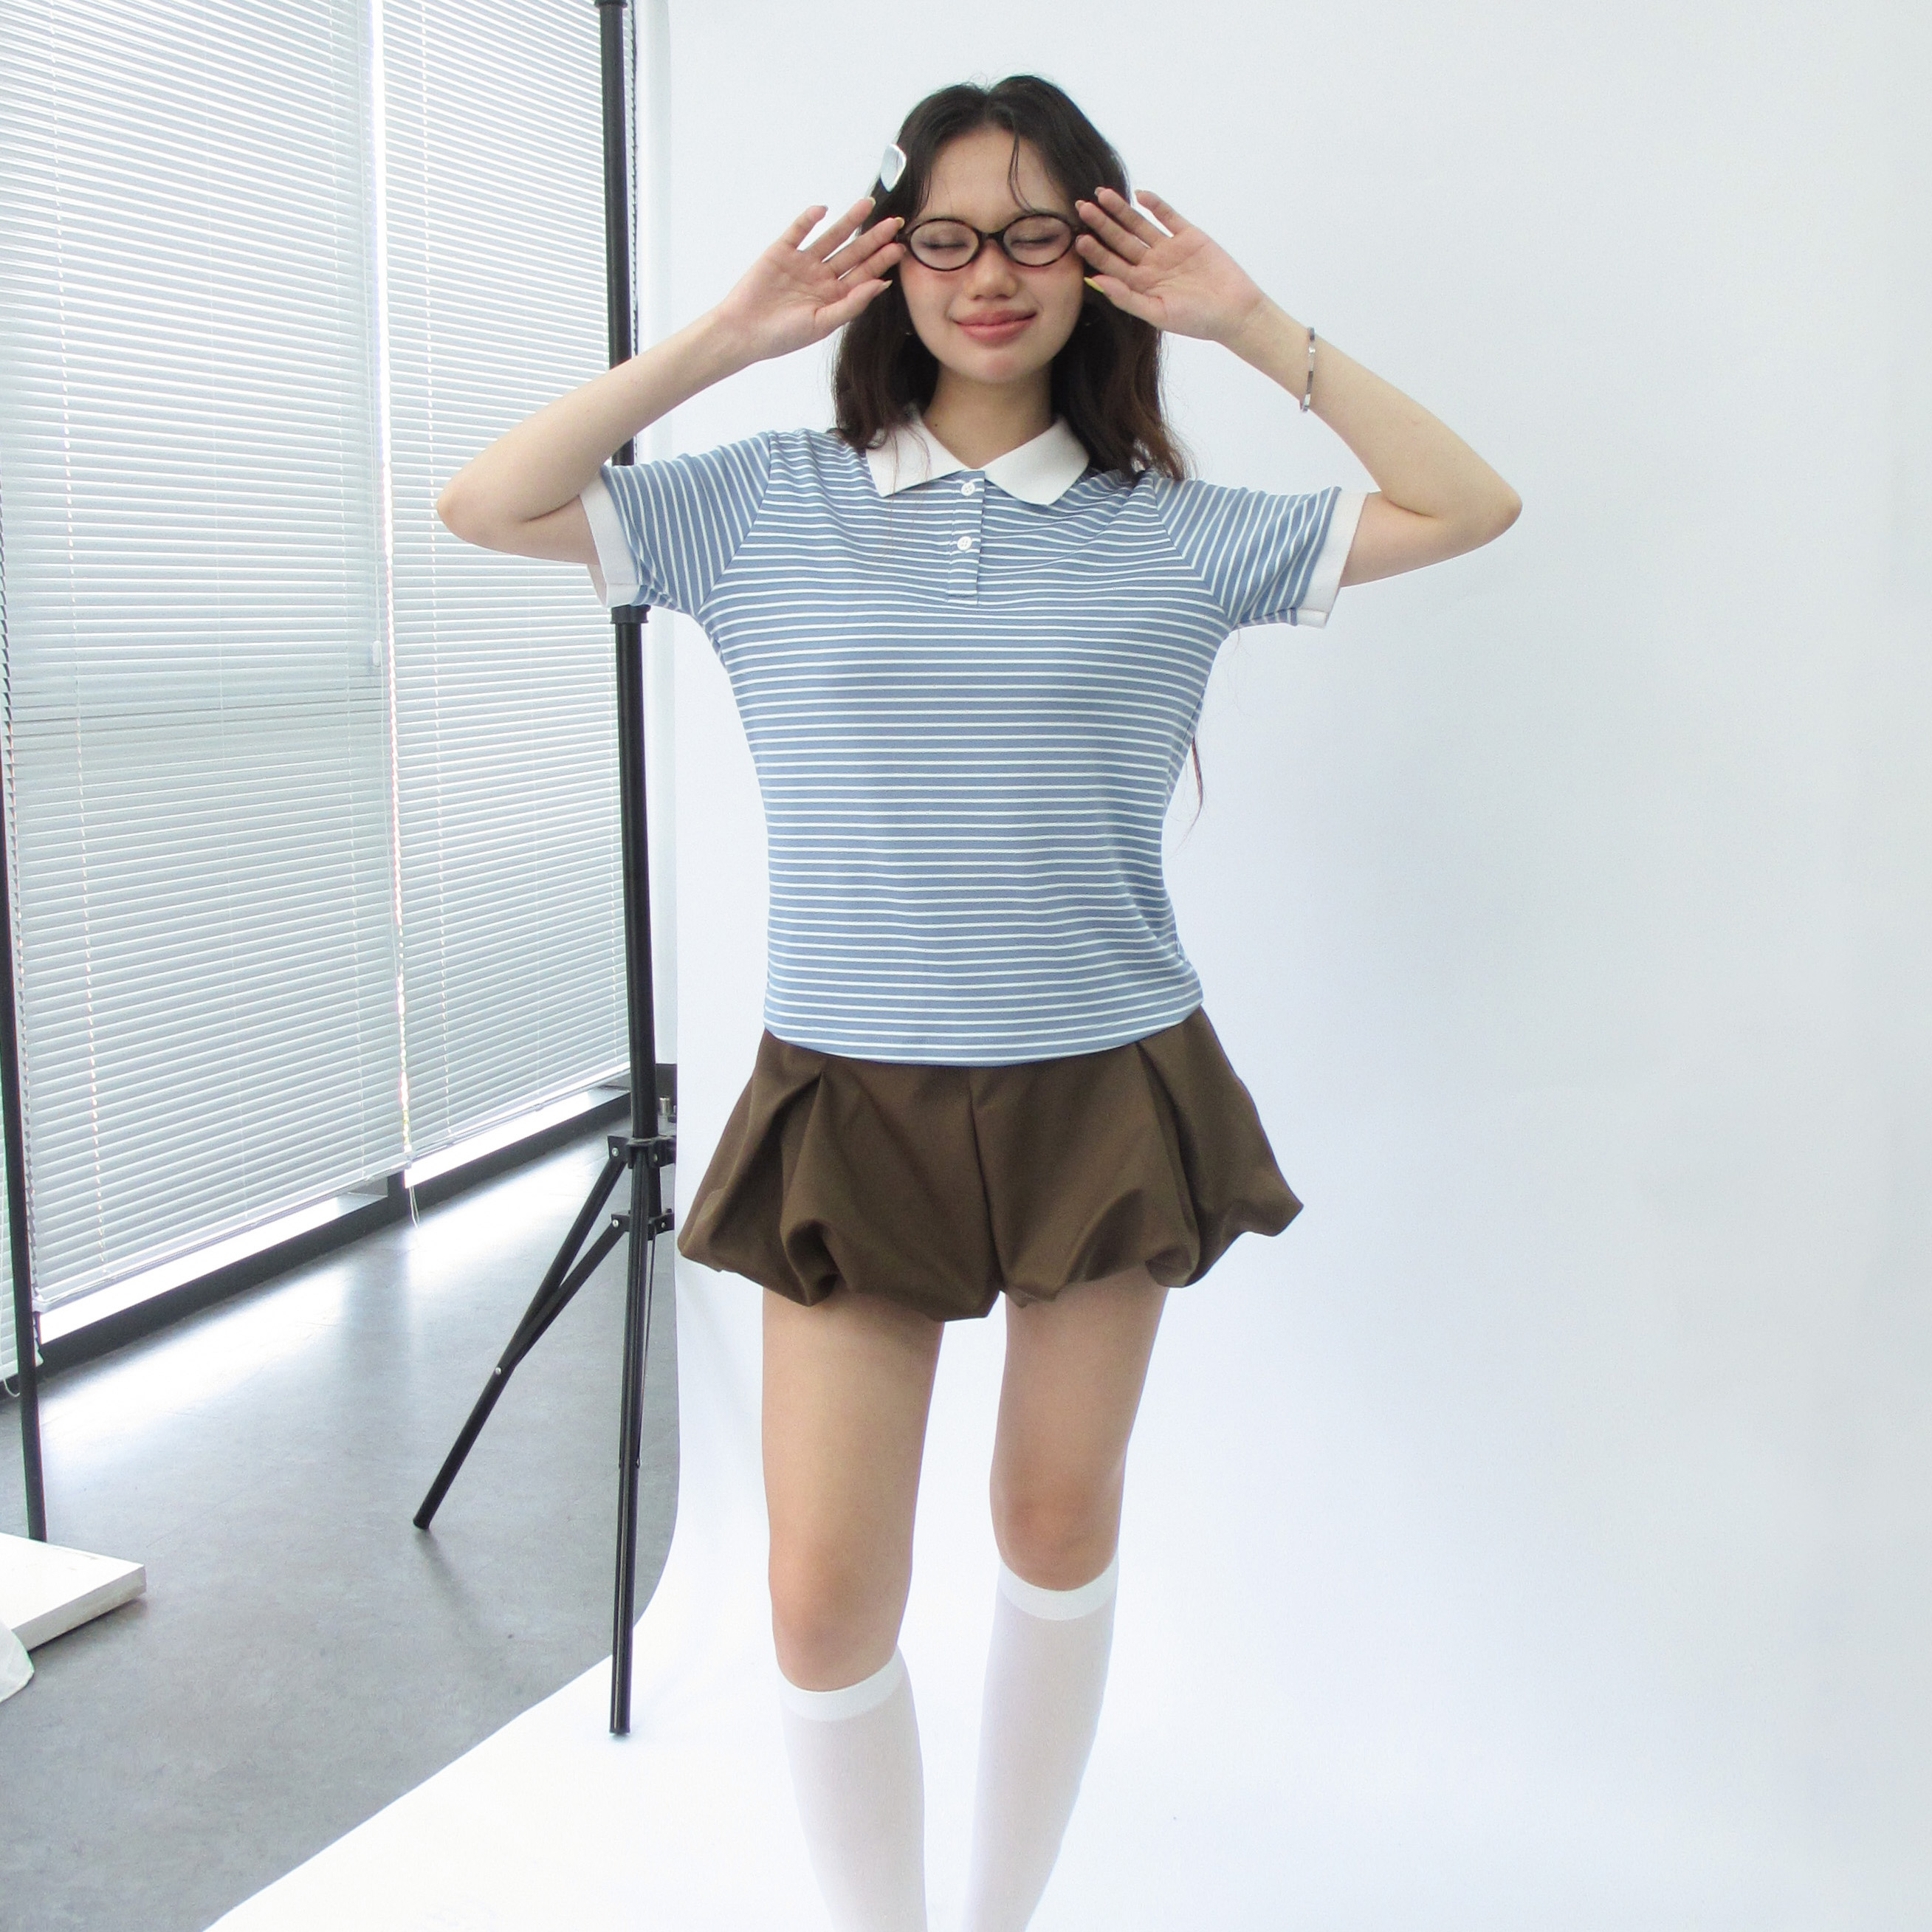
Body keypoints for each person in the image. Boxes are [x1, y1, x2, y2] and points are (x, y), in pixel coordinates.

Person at [436, 71, 1519, 1932]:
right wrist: (724, 340)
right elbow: (485, 503)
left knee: (1052, 1525)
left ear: (1097, 258)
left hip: (1102, 1083)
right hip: (847, 1096)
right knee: (817, 1602)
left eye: (1034, 235)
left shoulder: (1172, 531)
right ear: (888, 259)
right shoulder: (757, 506)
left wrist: (1245, 320)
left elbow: (1468, 501)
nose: (989, 276)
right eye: (943, 237)